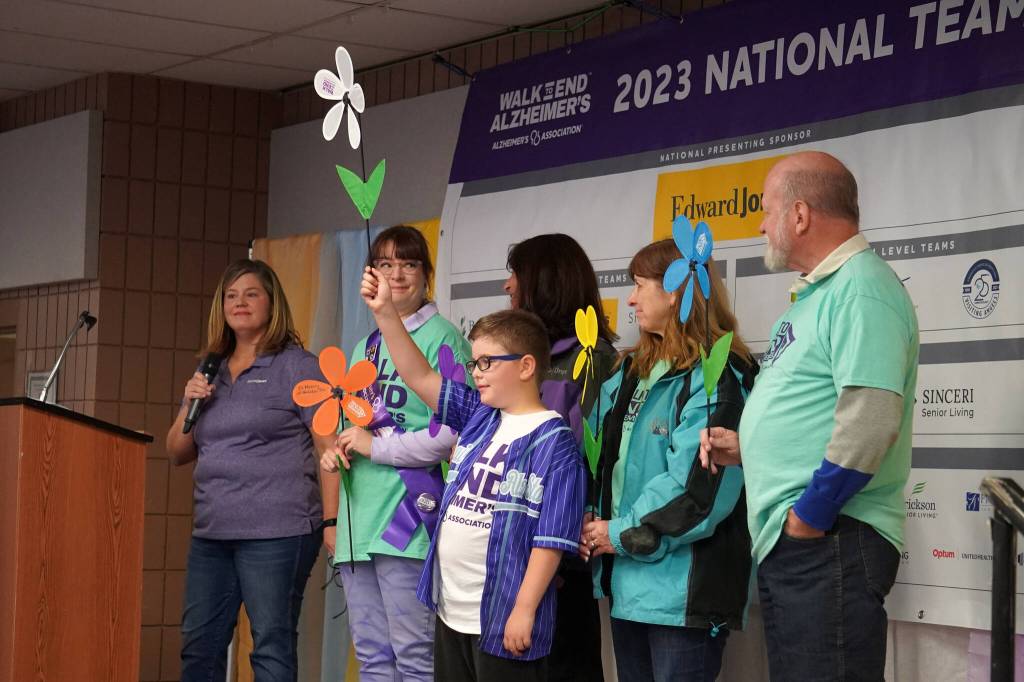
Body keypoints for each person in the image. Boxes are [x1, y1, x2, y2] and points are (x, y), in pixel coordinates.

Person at [699, 151, 920, 681]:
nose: (759, 224)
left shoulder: (861, 289)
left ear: (799, 215)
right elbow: (812, 411)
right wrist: (748, 446)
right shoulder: (818, 295)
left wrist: (809, 518)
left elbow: (870, 418)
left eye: (768, 210)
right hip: (806, 544)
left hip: (831, 541)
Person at [353, 266, 587, 681]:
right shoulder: (480, 415)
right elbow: (422, 377)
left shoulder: (555, 442)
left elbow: (551, 540)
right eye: (475, 362)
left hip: (502, 618)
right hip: (452, 611)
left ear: (526, 366)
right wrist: (386, 313)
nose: (475, 371)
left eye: (487, 362)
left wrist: (525, 609)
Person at [579, 239, 756, 682]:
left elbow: (698, 485)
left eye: (640, 285)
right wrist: (588, 519)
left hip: (684, 594)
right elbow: (599, 460)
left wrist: (617, 532)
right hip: (626, 583)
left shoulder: (719, 374)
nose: (631, 299)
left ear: (676, 290)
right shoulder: (627, 370)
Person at [166, 259, 334, 682]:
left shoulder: (297, 365)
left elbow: (326, 447)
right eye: (231, 295)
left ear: (272, 303)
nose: (239, 303)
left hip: (278, 531)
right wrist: (190, 401)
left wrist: (331, 521)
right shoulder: (210, 368)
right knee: (199, 647)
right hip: (212, 532)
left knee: (270, 646)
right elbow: (177, 451)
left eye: (251, 293)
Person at [319, 226, 471, 682]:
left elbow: (452, 435)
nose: (396, 274)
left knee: (415, 657)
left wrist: (377, 447)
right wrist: (336, 454)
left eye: (408, 264)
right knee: (372, 659)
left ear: (426, 274)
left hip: (407, 518)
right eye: (385, 264)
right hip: (356, 521)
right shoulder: (363, 346)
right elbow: (347, 429)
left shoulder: (444, 339)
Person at [504, 233, 618, 682]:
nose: (508, 286)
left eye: (515, 274)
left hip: (559, 549)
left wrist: (549, 543)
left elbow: (578, 461)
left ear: (543, 283)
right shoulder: (522, 357)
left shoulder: (593, 360)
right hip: (515, 545)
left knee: (565, 667)